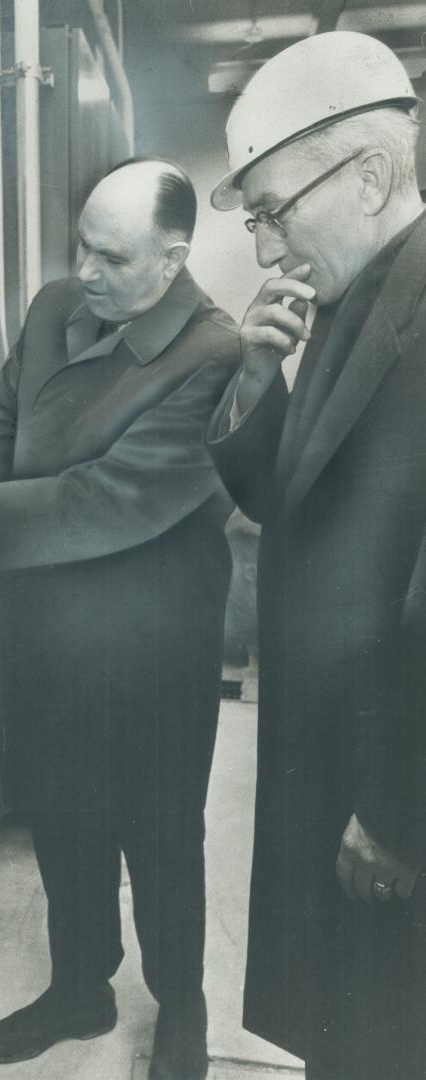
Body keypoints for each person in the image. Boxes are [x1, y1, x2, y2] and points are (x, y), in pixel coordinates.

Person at [0, 157, 239, 1080]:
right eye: (82, 247)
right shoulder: (55, 308)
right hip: (48, 629)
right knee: (64, 817)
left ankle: (181, 1009)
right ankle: (80, 988)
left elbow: (107, 498)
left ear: (172, 258)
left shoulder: (215, 354)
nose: (88, 269)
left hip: (152, 644)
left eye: (110, 256)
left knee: (159, 834)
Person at [207, 31, 426, 1080]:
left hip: (385, 783)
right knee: (342, 1036)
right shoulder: (344, 298)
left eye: (272, 211)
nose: (263, 247)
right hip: (323, 754)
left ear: (371, 174)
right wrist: (257, 374)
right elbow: (275, 501)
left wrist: (394, 811)